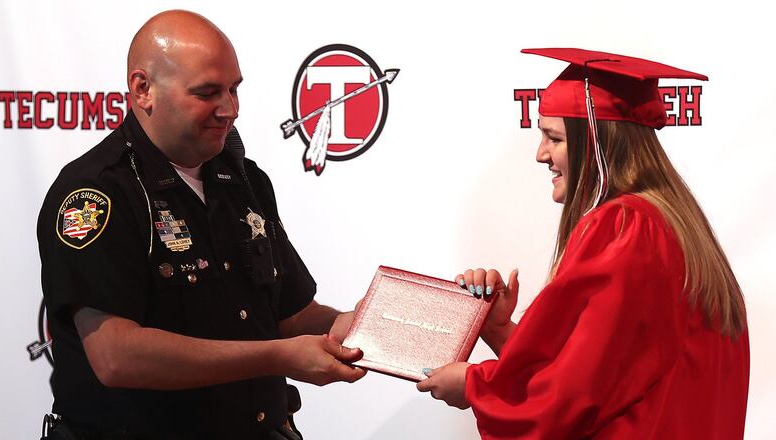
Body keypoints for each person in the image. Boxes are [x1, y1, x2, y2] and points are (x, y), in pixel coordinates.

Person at [37, 10, 364, 439]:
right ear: (143, 90)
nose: (230, 109)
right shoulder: (96, 193)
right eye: (208, 92)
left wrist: (347, 325)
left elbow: (288, 315)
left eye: (233, 89)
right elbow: (117, 356)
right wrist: (278, 357)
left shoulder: (245, 180)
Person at [417, 48, 749, 439]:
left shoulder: (625, 228)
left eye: (553, 137)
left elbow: (569, 398)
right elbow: (606, 376)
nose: (541, 154)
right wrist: (501, 329)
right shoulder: (677, 227)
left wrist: (475, 385)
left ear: (596, 141)